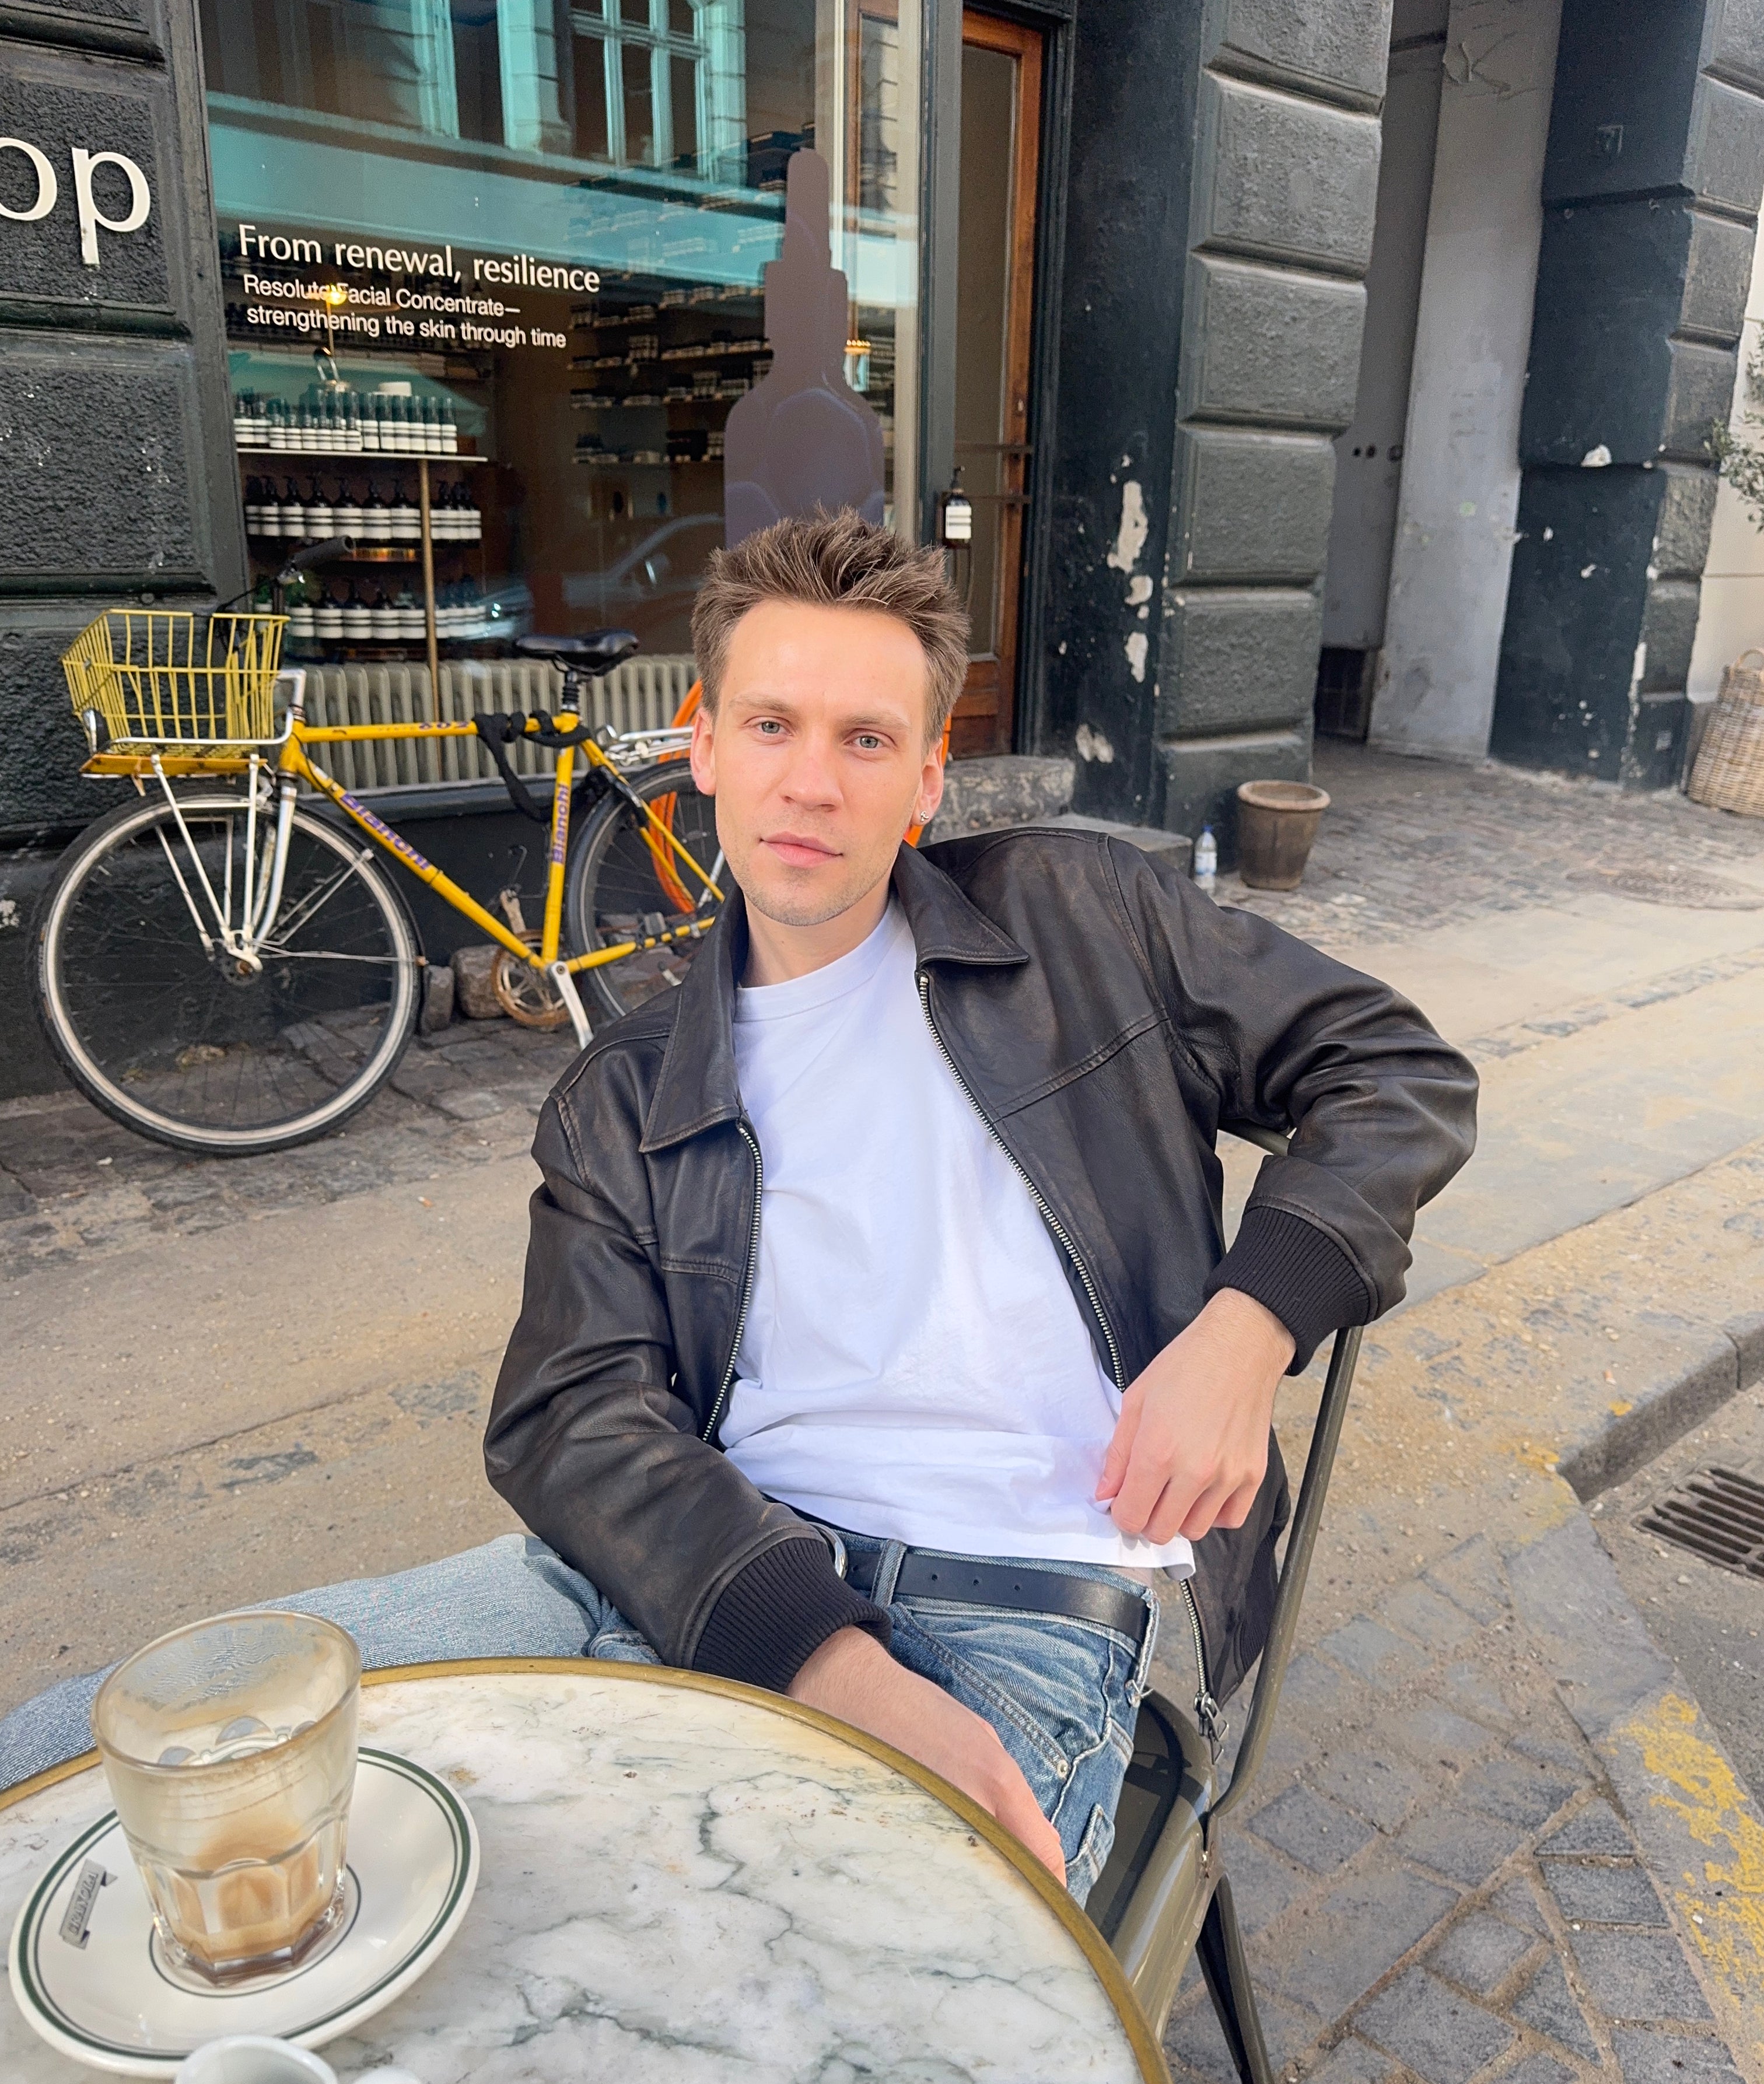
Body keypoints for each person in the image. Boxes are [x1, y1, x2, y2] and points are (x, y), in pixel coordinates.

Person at [0, 514, 1476, 1908]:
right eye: (772, 725)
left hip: (1021, 1609)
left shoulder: (1082, 915)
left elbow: (1397, 1072)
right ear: (701, 746)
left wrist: (1247, 1328)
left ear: (928, 779)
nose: (812, 783)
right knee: (97, 1747)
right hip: (685, 1568)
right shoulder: (627, 1088)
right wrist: (822, 1654)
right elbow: (570, 1414)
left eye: (866, 740)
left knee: (750, 1999)